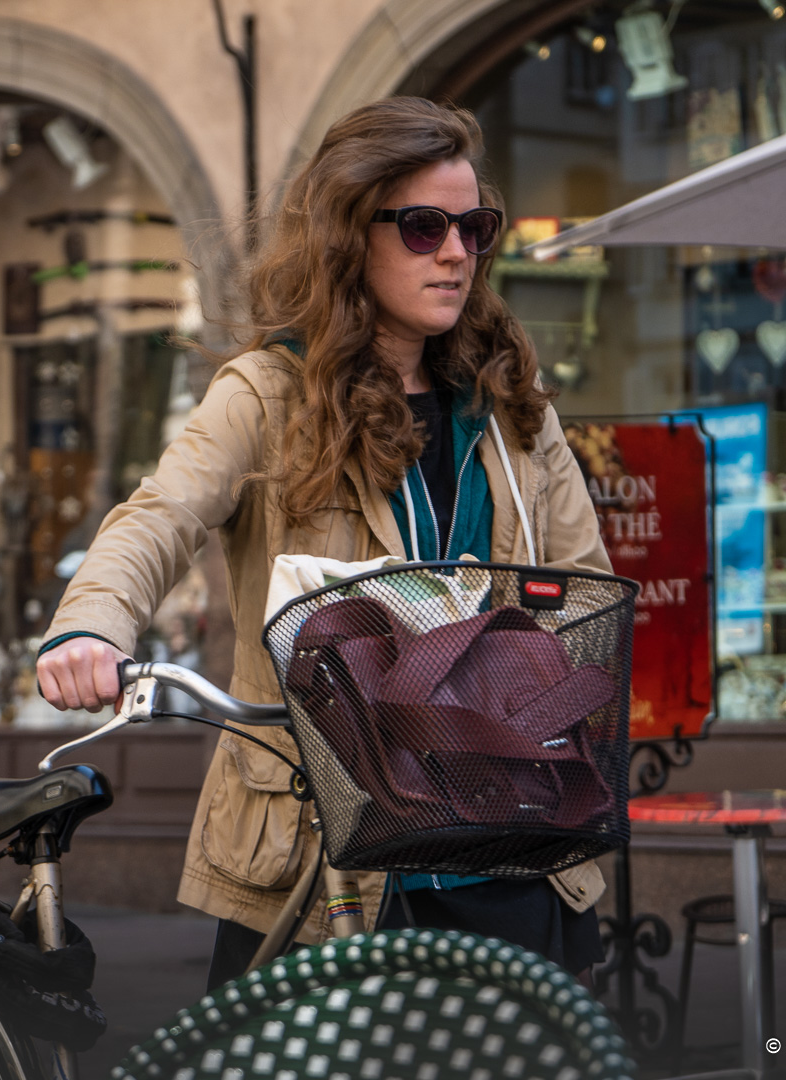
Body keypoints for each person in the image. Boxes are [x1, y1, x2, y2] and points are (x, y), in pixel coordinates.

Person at [36, 96, 613, 989]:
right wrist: (91, 627)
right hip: (327, 859)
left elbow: (584, 587)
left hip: (505, 844)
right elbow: (158, 517)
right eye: (425, 227)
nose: (457, 252)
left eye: (476, 227)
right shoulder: (267, 395)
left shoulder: (510, 403)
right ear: (352, 233)